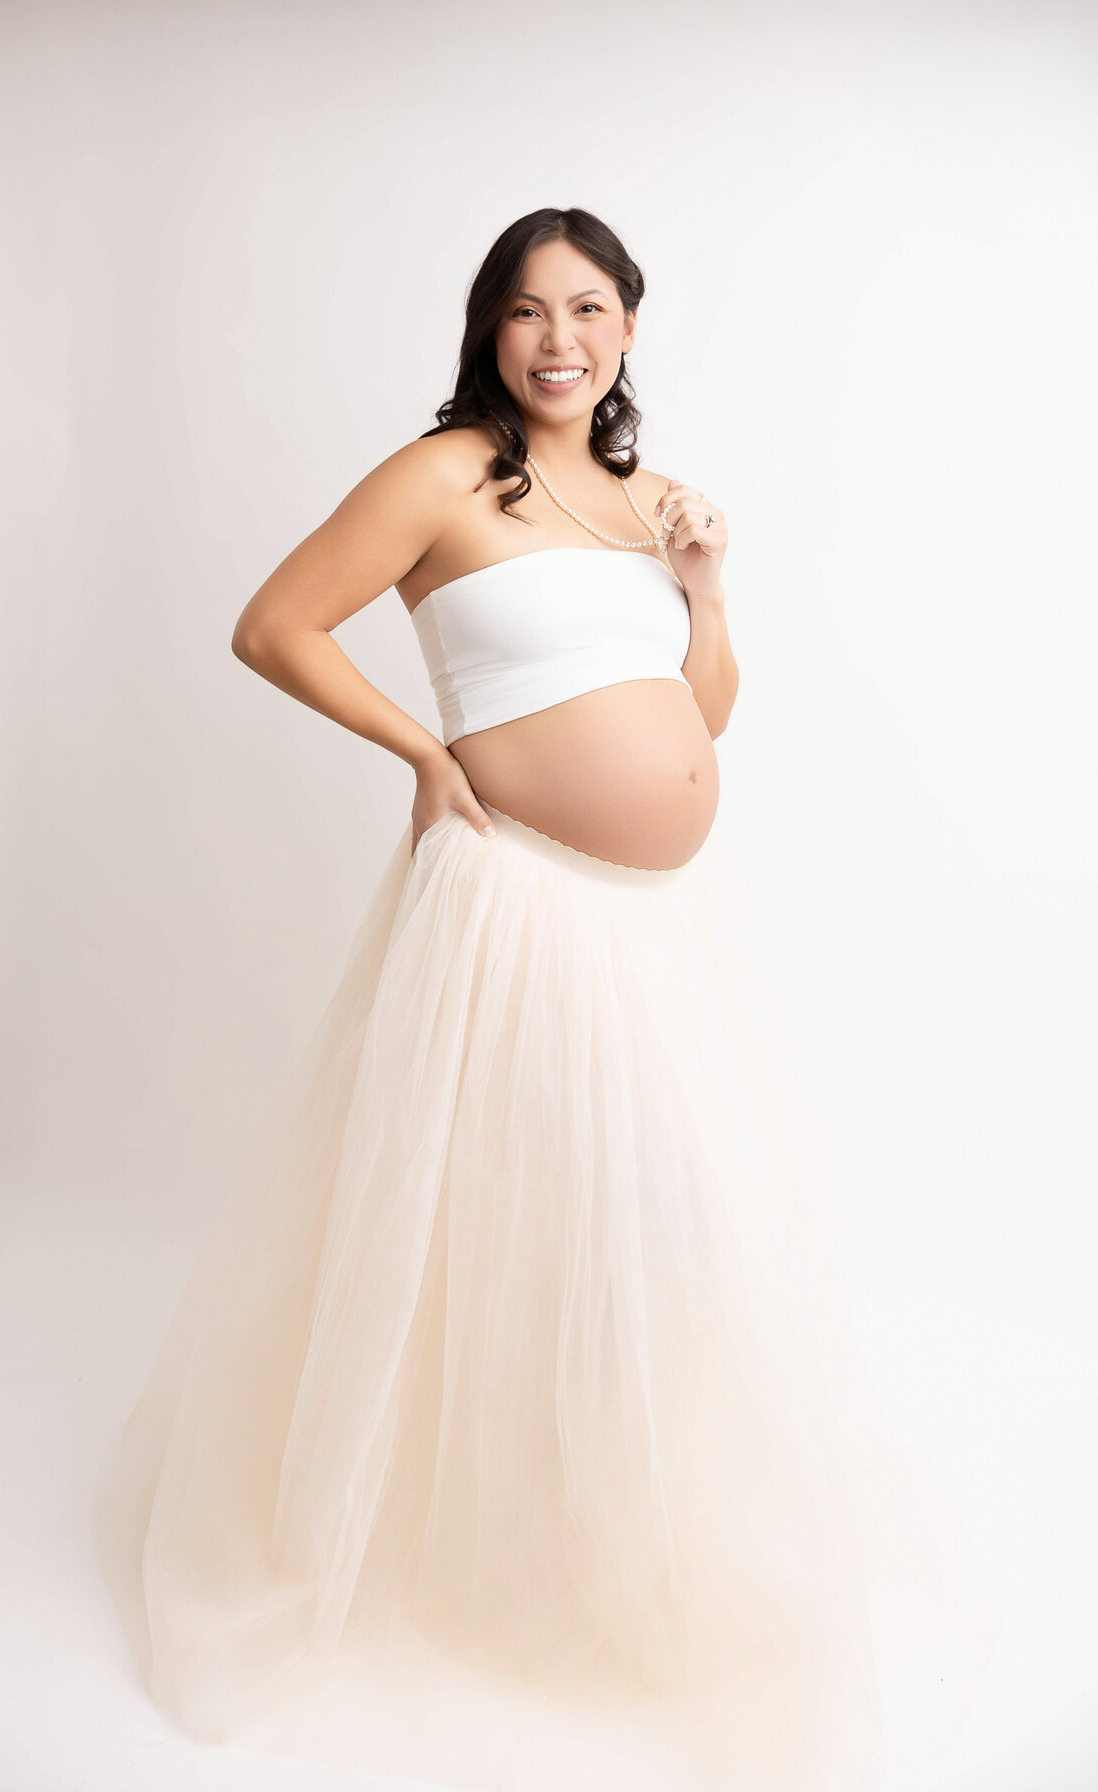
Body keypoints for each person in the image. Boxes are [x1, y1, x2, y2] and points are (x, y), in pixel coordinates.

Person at [100, 208, 999, 1792]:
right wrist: (426, 753)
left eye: (588, 307)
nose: (557, 338)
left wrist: (708, 592)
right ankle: (475, 1563)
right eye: (525, 312)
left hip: (665, 930)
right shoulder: (447, 474)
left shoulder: (652, 501)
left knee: (666, 1234)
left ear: (633, 327)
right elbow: (273, 623)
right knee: (514, 1227)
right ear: (490, 334)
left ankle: (630, 1547)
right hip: (518, 910)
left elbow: (695, 720)